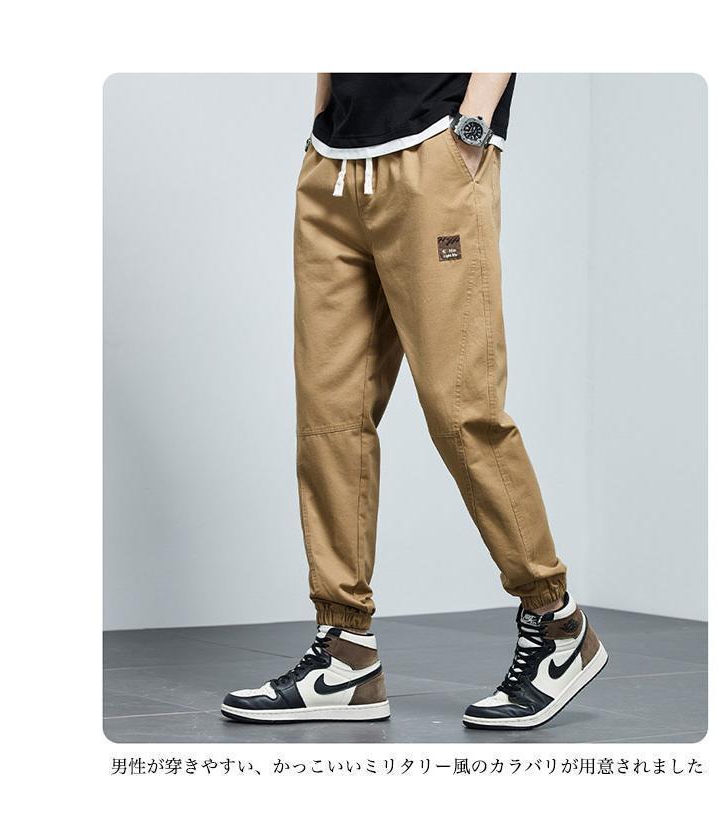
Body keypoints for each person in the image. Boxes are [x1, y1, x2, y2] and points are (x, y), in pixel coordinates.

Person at [222, 73, 607, 730]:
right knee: (328, 418)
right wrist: (321, 120)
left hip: (434, 152)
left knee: (462, 411)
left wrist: (471, 130)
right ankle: (344, 651)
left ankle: (556, 622)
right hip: (334, 166)